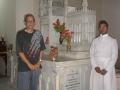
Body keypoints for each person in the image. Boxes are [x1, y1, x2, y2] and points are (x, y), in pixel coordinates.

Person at [16, 14, 46, 90]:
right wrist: (29, 64)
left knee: (34, 88)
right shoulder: (20, 34)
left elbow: (41, 49)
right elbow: (19, 51)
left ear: (34, 22)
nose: (30, 22)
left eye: (32, 20)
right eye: (28, 21)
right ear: (24, 23)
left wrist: (39, 62)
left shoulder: (38, 34)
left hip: (36, 67)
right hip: (24, 67)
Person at [90, 20, 118, 90]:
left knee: (107, 85)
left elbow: (114, 56)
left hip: (107, 65)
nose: (102, 29)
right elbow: (91, 54)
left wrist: (107, 69)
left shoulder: (112, 41)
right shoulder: (95, 40)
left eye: (104, 27)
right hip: (96, 66)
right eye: (100, 27)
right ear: (98, 28)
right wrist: (95, 66)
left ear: (107, 28)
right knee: (96, 85)